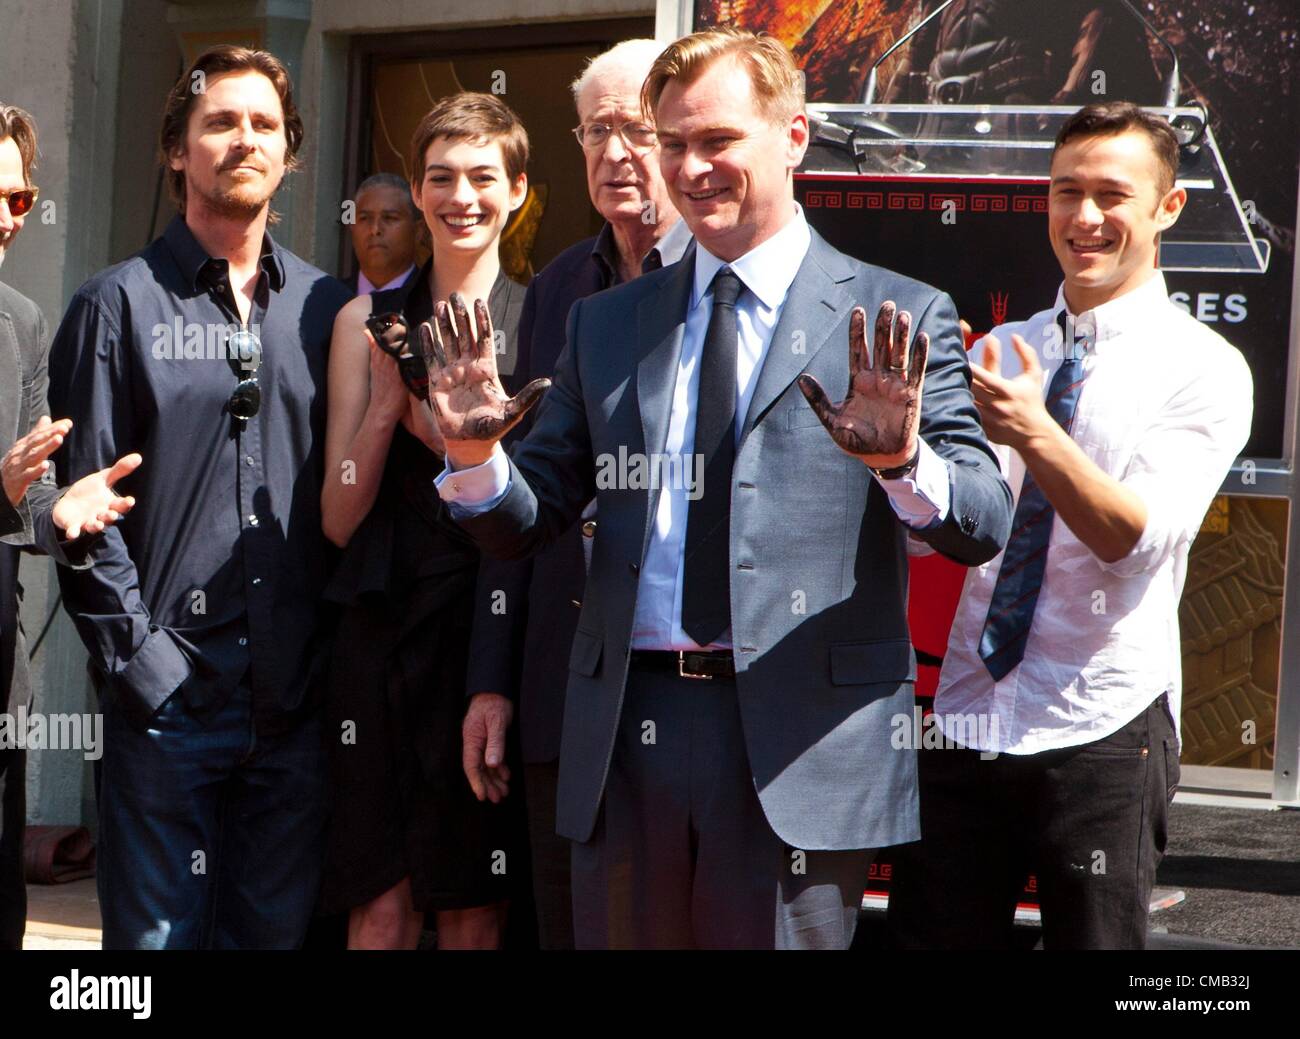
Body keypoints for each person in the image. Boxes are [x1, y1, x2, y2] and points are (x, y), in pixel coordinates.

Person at [429, 27, 1011, 950]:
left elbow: (982, 523)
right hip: (626, 730)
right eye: (674, 144)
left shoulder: (895, 313)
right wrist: (473, 457)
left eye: (717, 140)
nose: (690, 167)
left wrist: (902, 464)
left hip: (799, 741)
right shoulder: (605, 323)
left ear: (794, 135)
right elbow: (525, 518)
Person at [886, 101, 1254, 950]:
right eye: (1064, 192)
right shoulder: (998, 349)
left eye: (1111, 195)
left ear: (1167, 207)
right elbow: (933, 530)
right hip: (968, 713)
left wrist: (1034, 430)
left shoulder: (1204, 367)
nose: (1084, 218)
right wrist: (897, 461)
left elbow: (1138, 538)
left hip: (1104, 723)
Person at [46, 46, 351, 949]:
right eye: (219, 122)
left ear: (290, 153)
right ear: (177, 150)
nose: (242, 140)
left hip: (292, 712)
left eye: (263, 125)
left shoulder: (328, 310)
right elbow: (80, 508)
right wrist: (144, 669)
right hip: (168, 713)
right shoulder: (115, 306)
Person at [461, 37, 689, 951]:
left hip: (689, 693)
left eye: (637, 127)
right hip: (564, 680)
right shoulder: (559, 287)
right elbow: (520, 492)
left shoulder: (724, 283)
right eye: (598, 130)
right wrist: (490, 678)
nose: (615, 152)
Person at [319, 92, 530, 950]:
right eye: (440, 177)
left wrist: (454, 442)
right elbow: (336, 515)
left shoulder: (549, 314)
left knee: (472, 903)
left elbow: (536, 515)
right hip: (377, 631)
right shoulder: (360, 323)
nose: (461, 196)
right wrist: (380, 412)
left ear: (518, 189)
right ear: (417, 188)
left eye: (483, 176)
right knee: (379, 900)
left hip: (486, 632)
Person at [0, 102, 139, 951]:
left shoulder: (20, 319)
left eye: (21, 198)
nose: (7, 217)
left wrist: (59, 509)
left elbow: (24, 494)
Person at [346, 171, 421, 296]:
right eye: (364, 218)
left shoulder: (435, 303)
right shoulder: (329, 299)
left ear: (418, 231)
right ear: (352, 228)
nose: (375, 229)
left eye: (390, 218)